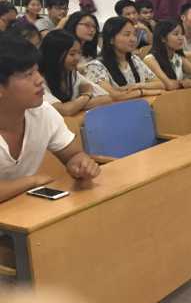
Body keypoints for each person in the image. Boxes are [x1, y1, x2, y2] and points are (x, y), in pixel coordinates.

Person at [0, 34, 100, 204]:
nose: (39, 80)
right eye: (28, 74)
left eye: (37, 70)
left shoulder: (42, 112)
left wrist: (81, 164)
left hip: (22, 210)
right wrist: (31, 181)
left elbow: (73, 154)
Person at [85, 17, 165, 100]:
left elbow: (160, 84)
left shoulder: (134, 59)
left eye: (134, 34)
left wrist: (137, 85)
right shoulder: (95, 66)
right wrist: (142, 92)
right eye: (127, 34)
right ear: (111, 39)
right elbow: (114, 96)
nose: (133, 39)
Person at [39, 31, 111, 116]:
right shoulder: (39, 81)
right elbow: (66, 111)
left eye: (79, 53)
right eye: (72, 54)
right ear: (54, 55)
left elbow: (107, 98)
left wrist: (75, 106)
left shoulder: (73, 74)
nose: (77, 58)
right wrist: (87, 94)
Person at [144, 20, 191, 90]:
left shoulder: (178, 57)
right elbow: (169, 85)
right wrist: (183, 83)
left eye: (182, 34)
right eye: (176, 34)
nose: (181, 38)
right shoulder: (150, 59)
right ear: (163, 38)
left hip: (178, 94)